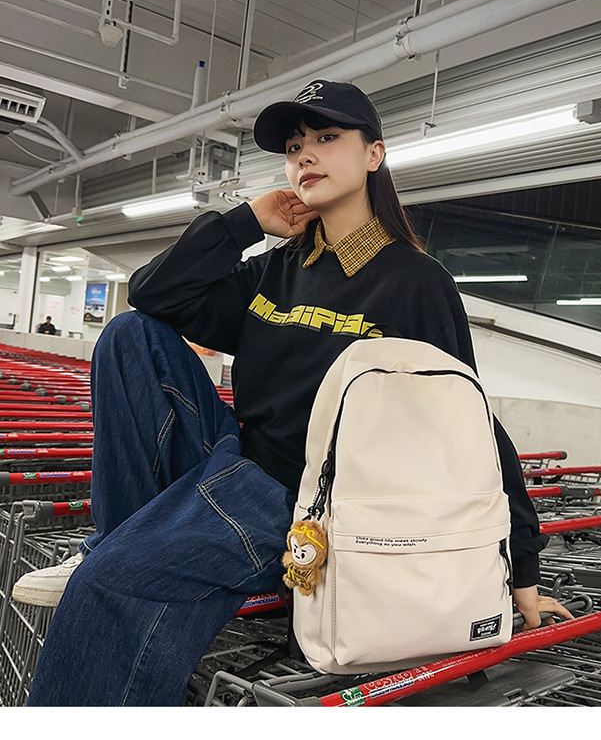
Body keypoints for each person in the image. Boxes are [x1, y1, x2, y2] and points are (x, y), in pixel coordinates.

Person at [16, 79, 571, 706]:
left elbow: (473, 426)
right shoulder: (276, 270)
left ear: (374, 154)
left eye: (327, 137)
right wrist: (246, 223)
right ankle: (117, 540)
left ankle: (116, 563)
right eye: (294, 147)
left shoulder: (414, 283)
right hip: (232, 464)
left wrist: (521, 567)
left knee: (109, 584)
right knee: (129, 334)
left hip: (302, 503)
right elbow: (153, 294)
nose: (305, 154)